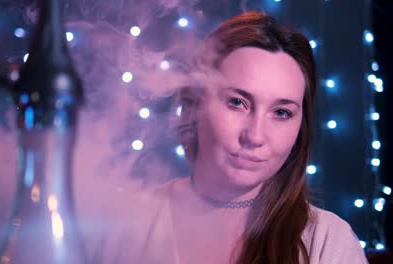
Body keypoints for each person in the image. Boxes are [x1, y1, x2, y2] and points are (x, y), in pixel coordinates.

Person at [79, 11, 369, 264]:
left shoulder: (327, 240)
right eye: (237, 102)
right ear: (195, 105)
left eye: (281, 112)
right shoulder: (122, 223)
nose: (255, 136)